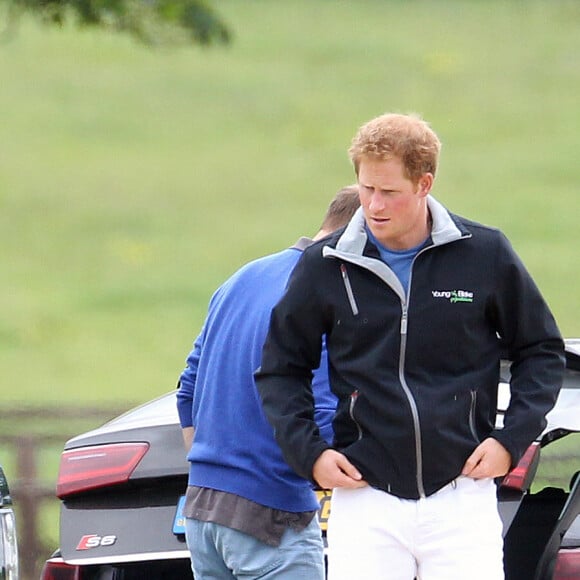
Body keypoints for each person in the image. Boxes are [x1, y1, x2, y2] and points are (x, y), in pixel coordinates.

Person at [255, 113, 566, 580]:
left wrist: (510, 439)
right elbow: (280, 370)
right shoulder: (325, 265)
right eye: (365, 189)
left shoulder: (485, 254)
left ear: (424, 183)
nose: (374, 205)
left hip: (463, 497)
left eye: (389, 192)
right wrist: (311, 454)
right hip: (365, 499)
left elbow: (541, 350)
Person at [176, 185, 360, 579]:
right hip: (272, 517)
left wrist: (221, 465)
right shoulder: (327, 297)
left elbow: (188, 389)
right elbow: (323, 416)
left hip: (202, 511)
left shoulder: (243, 277)